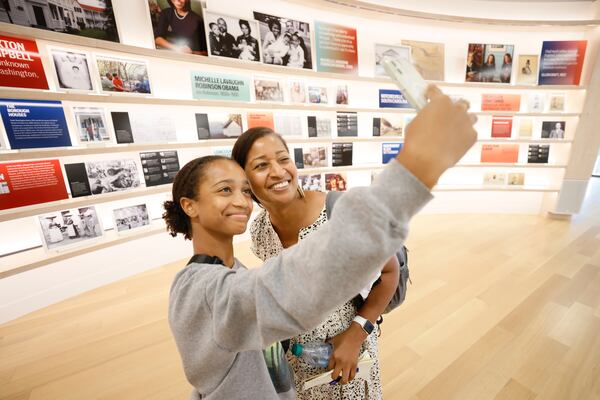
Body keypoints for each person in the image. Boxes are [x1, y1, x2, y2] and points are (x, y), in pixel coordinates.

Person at [165, 86, 477, 399]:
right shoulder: (222, 275)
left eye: (243, 191)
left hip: (337, 354)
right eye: (226, 189)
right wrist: (418, 167)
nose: (241, 200)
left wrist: (355, 333)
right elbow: (292, 286)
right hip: (302, 362)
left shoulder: (228, 270)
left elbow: (362, 271)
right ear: (189, 205)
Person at [234, 129, 387, 399]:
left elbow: (389, 273)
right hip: (299, 361)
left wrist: (354, 337)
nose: (278, 172)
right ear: (245, 180)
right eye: (261, 165)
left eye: (283, 159)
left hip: (347, 354)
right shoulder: (259, 230)